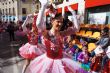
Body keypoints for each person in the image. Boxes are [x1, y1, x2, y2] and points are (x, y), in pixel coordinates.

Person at [25, 0, 81, 73]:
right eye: (58, 21)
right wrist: (43, 6)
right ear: (52, 21)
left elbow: (76, 29)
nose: (60, 24)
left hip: (61, 61)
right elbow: (38, 24)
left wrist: (73, 13)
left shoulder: (62, 33)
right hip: (48, 62)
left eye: (61, 21)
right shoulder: (46, 33)